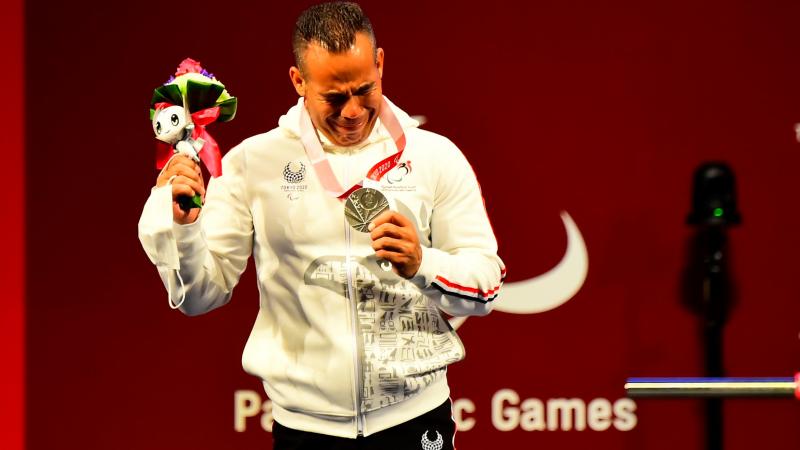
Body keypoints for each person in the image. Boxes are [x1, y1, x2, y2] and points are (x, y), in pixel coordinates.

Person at [138, 2, 505, 449]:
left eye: (364, 89)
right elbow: (200, 296)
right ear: (298, 81)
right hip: (305, 430)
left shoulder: (434, 156)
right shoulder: (254, 164)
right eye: (333, 96)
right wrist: (185, 229)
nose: (352, 111)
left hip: (416, 420)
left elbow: (485, 284)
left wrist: (422, 262)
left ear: (381, 63)